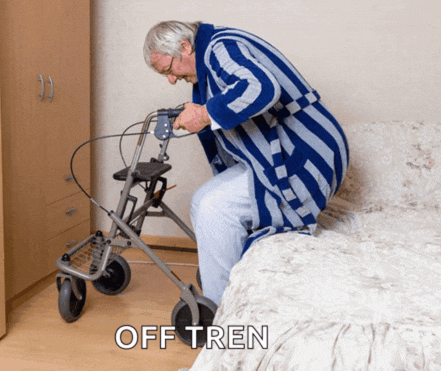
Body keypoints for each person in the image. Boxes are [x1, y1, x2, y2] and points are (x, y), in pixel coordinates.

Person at [143, 21, 349, 306]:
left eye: (168, 69)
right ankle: (230, 285)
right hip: (288, 150)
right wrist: (205, 114)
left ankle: (223, 313)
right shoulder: (214, 50)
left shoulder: (219, 47)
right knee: (205, 200)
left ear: (185, 46)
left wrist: (204, 114)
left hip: (305, 155)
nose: (171, 80)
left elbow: (262, 88)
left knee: (213, 207)